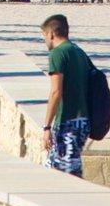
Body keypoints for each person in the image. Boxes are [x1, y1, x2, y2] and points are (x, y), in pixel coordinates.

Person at [39, 14, 95, 176]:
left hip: (68, 122)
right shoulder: (78, 51)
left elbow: (56, 92)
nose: (45, 41)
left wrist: (47, 127)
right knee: (52, 167)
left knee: (67, 175)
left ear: (51, 34)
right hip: (83, 120)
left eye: (44, 36)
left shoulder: (57, 54)